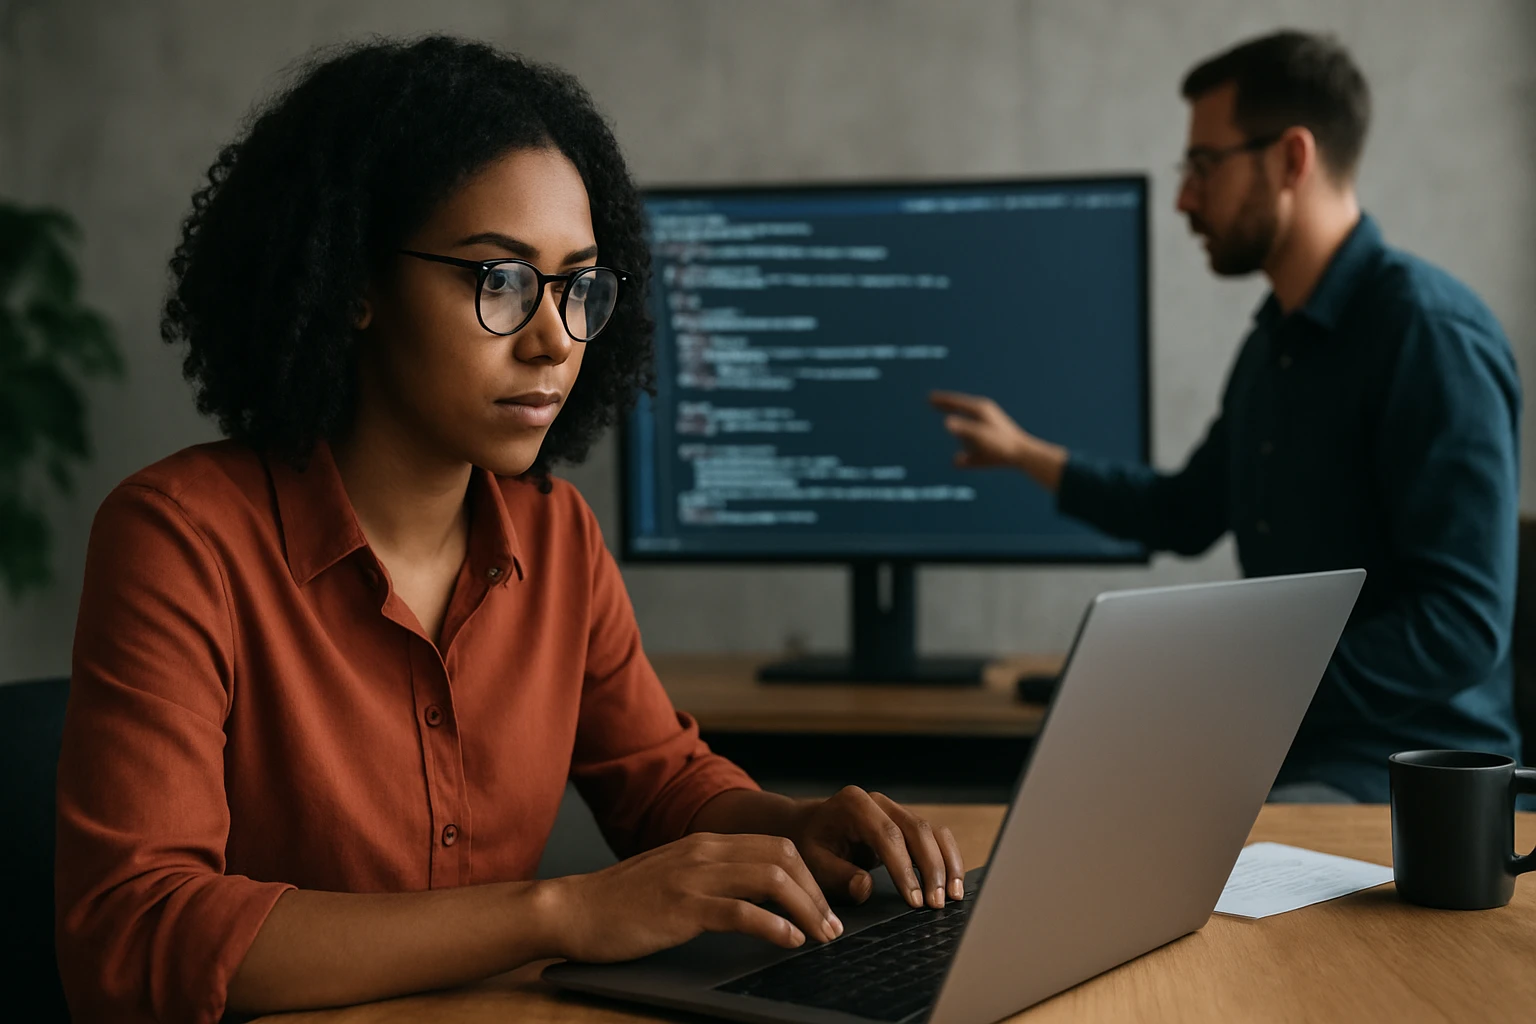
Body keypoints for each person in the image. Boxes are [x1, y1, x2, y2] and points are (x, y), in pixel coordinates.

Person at [55, 38, 967, 1023]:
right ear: (353, 281)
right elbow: (134, 933)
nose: (554, 338)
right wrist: (559, 913)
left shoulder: (557, 535)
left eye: (578, 286)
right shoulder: (179, 540)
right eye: (498, 280)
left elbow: (659, 781)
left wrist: (795, 828)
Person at [932, 30, 1523, 805]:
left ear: (1291, 160)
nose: (1183, 196)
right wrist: (1024, 453)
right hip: (1287, 752)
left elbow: (1461, 625)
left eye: (1203, 165)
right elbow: (1184, 512)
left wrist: (1242, 693)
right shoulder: (1273, 344)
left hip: (1402, 780)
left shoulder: (1427, 334)